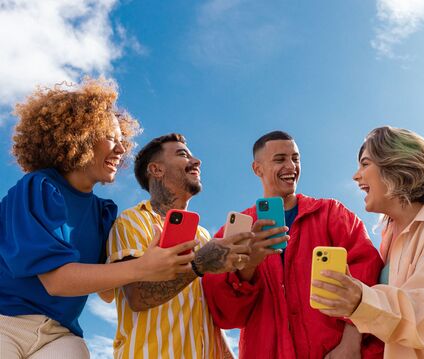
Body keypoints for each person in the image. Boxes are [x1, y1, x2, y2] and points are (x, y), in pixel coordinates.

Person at [0, 79, 198, 359]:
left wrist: (159, 258)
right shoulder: (38, 187)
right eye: (110, 138)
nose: (120, 150)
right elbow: (56, 281)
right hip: (6, 321)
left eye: (122, 141)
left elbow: (106, 291)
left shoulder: (103, 212)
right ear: (77, 135)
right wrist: (143, 267)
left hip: (59, 333)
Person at [202, 130, 384, 358]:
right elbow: (225, 315)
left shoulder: (332, 214)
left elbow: (369, 275)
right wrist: (248, 266)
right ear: (257, 169)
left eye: (295, 158)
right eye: (280, 159)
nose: (291, 166)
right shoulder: (234, 232)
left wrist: (351, 342)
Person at [106, 133, 287, 358]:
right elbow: (137, 298)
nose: (197, 161)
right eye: (183, 154)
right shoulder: (132, 221)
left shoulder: (202, 235)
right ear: (156, 170)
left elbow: (204, 312)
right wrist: (199, 264)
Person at [312, 126, 424, 358]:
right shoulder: (389, 236)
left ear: (395, 165)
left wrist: (361, 300)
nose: (356, 175)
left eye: (365, 164)